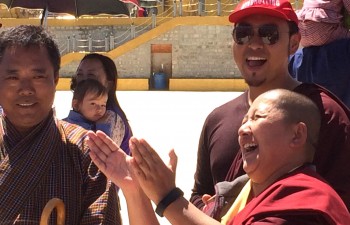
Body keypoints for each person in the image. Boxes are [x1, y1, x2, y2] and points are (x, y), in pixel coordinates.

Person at [87, 89, 350, 224]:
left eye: (258, 118)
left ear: (297, 135)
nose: (243, 128)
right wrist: (136, 193)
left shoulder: (306, 201)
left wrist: (169, 198)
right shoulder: (244, 195)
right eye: (244, 119)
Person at [190, 0, 350, 212]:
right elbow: (199, 195)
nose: (254, 44)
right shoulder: (217, 119)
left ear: (293, 44)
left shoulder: (326, 116)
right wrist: (213, 210)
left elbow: (340, 206)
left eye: (269, 34)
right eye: (243, 34)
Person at [0, 25, 120, 224]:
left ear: (55, 79)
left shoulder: (87, 154)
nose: (26, 89)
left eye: (38, 76)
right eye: (13, 77)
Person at [70, 53, 133, 155]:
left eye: (91, 76)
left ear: (108, 84)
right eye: (79, 75)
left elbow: (100, 159)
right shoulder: (85, 111)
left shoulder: (110, 119)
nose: (83, 81)